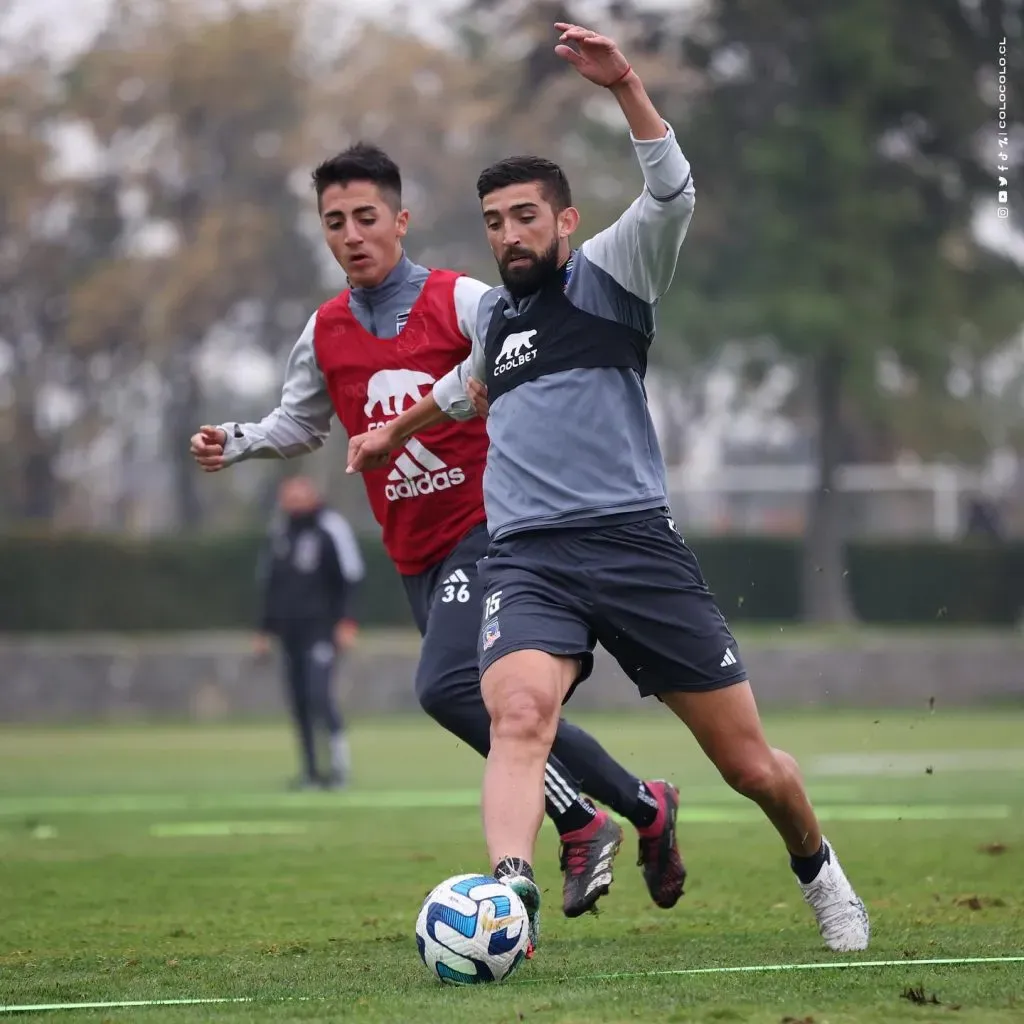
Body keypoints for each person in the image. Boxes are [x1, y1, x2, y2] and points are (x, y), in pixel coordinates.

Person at [346, 22, 870, 957]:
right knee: (513, 712)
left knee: (751, 766)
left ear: (565, 221)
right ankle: (511, 895)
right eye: (496, 221)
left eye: (526, 217)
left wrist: (625, 83)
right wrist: (394, 429)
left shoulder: (616, 273)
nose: (510, 234)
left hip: (633, 547)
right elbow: (460, 391)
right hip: (529, 559)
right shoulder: (497, 323)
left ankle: (819, 868)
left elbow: (674, 187)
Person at [189, 142, 685, 923]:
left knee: (447, 687)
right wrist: (239, 439)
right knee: (504, 714)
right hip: (415, 554)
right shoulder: (323, 331)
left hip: (494, 533)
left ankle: (584, 822)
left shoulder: (460, 300)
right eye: (335, 222)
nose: (352, 234)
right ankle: (644, 805)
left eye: (366, 217)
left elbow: (518, 350)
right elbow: (300, 421)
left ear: (400, 220)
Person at [255, 475, 363, 789]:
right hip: (290, 633)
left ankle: (339, 767)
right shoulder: (279, 532)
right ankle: (311, 771)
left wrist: (347, 621)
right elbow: (270, 586)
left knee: (320, 696)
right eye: (288, 495)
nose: (293, 501)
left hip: (322, 629)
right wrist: (264, 630)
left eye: (299, 494)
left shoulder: (331, 527)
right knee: (299, 701)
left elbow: (351, 576)